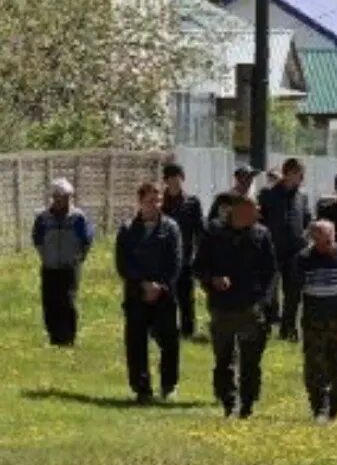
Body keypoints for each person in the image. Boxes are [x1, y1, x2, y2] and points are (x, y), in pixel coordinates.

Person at [193, 195, 277, 418]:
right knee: (224, 359)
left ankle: (248, 404)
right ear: (236, 211)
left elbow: (270, 272)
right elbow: (198, 266)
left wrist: (265, 302)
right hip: (222, 306)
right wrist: (213, 279)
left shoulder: (261, 234)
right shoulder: (214, 232)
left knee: (251, 361)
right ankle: (228, 402)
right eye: (251, 209)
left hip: (251, 307)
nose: (256, 213)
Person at [290, 221, 337, 421]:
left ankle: (335, 406)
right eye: (321, 240)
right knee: (315, 368)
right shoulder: (304, 259)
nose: (327, 244)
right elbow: (293, 292)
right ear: (312, 240)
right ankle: (319, 408)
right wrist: (290, 322)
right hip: (315, 322)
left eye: (329, 239)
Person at [115, 182, 183, 403]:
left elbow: (176, 261)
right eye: (149, 201)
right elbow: (123, 264)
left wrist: (159, 286)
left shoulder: (171, 228)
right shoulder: (127, 230)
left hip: (164, 296)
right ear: (140, 202)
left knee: (169, 341)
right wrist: (143, 284)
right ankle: (142, 388)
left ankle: (168, 385)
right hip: (137, 295)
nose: (154, 205)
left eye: (158, 200)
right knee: (136, 343)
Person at [33, 178, 94, 346]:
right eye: (59, 197)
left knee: (68, 301)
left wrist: (79, 258)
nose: (63, 200)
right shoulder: (43, 218)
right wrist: (45, 256)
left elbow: (86, 240)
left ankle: (69, 337)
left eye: (67, 197)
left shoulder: (78, 218)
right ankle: (54, 337)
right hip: (50, 266)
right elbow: (37, 240)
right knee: (50, 301)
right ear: (53, 197)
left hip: (70, 267)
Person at [259, 159, 312, 340]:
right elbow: (261, 219)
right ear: (288, 173)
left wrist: (304, 237)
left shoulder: (302, 196)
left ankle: (288, 329)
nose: (302, 177)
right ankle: (264, 326)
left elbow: (306, 219)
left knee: (293, 293)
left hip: (295, 251)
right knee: (268, 291)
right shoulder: (268, 194)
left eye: (302, 173)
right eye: (298, 173)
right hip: (272, 249)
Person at [160, 163, 206, 339]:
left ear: (182, 178)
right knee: (165, 295)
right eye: (170, 178)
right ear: (165, 180)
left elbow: (199, 230)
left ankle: (188, 330)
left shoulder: (192, 202)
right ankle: (166, 327)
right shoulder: (160, 202)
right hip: (164, 257)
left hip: (186, 257)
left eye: (177, 177)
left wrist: (200, 254)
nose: (174, 181)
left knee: (186, 296)